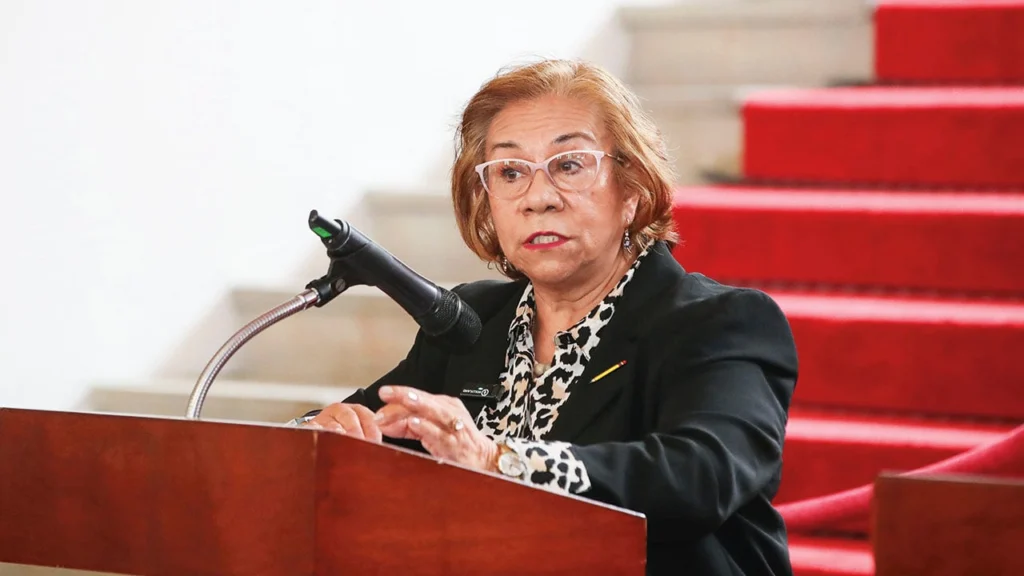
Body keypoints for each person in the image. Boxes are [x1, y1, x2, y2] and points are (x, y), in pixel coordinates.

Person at [292, 59, 798, 576]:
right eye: (510, 172)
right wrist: (322, 435)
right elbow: (368, 425)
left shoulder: (720, 323)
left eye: (570, 165)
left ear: (633, 189)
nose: (538, 198)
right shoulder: (473, 321)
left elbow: (700, 476)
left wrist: (496, 461)